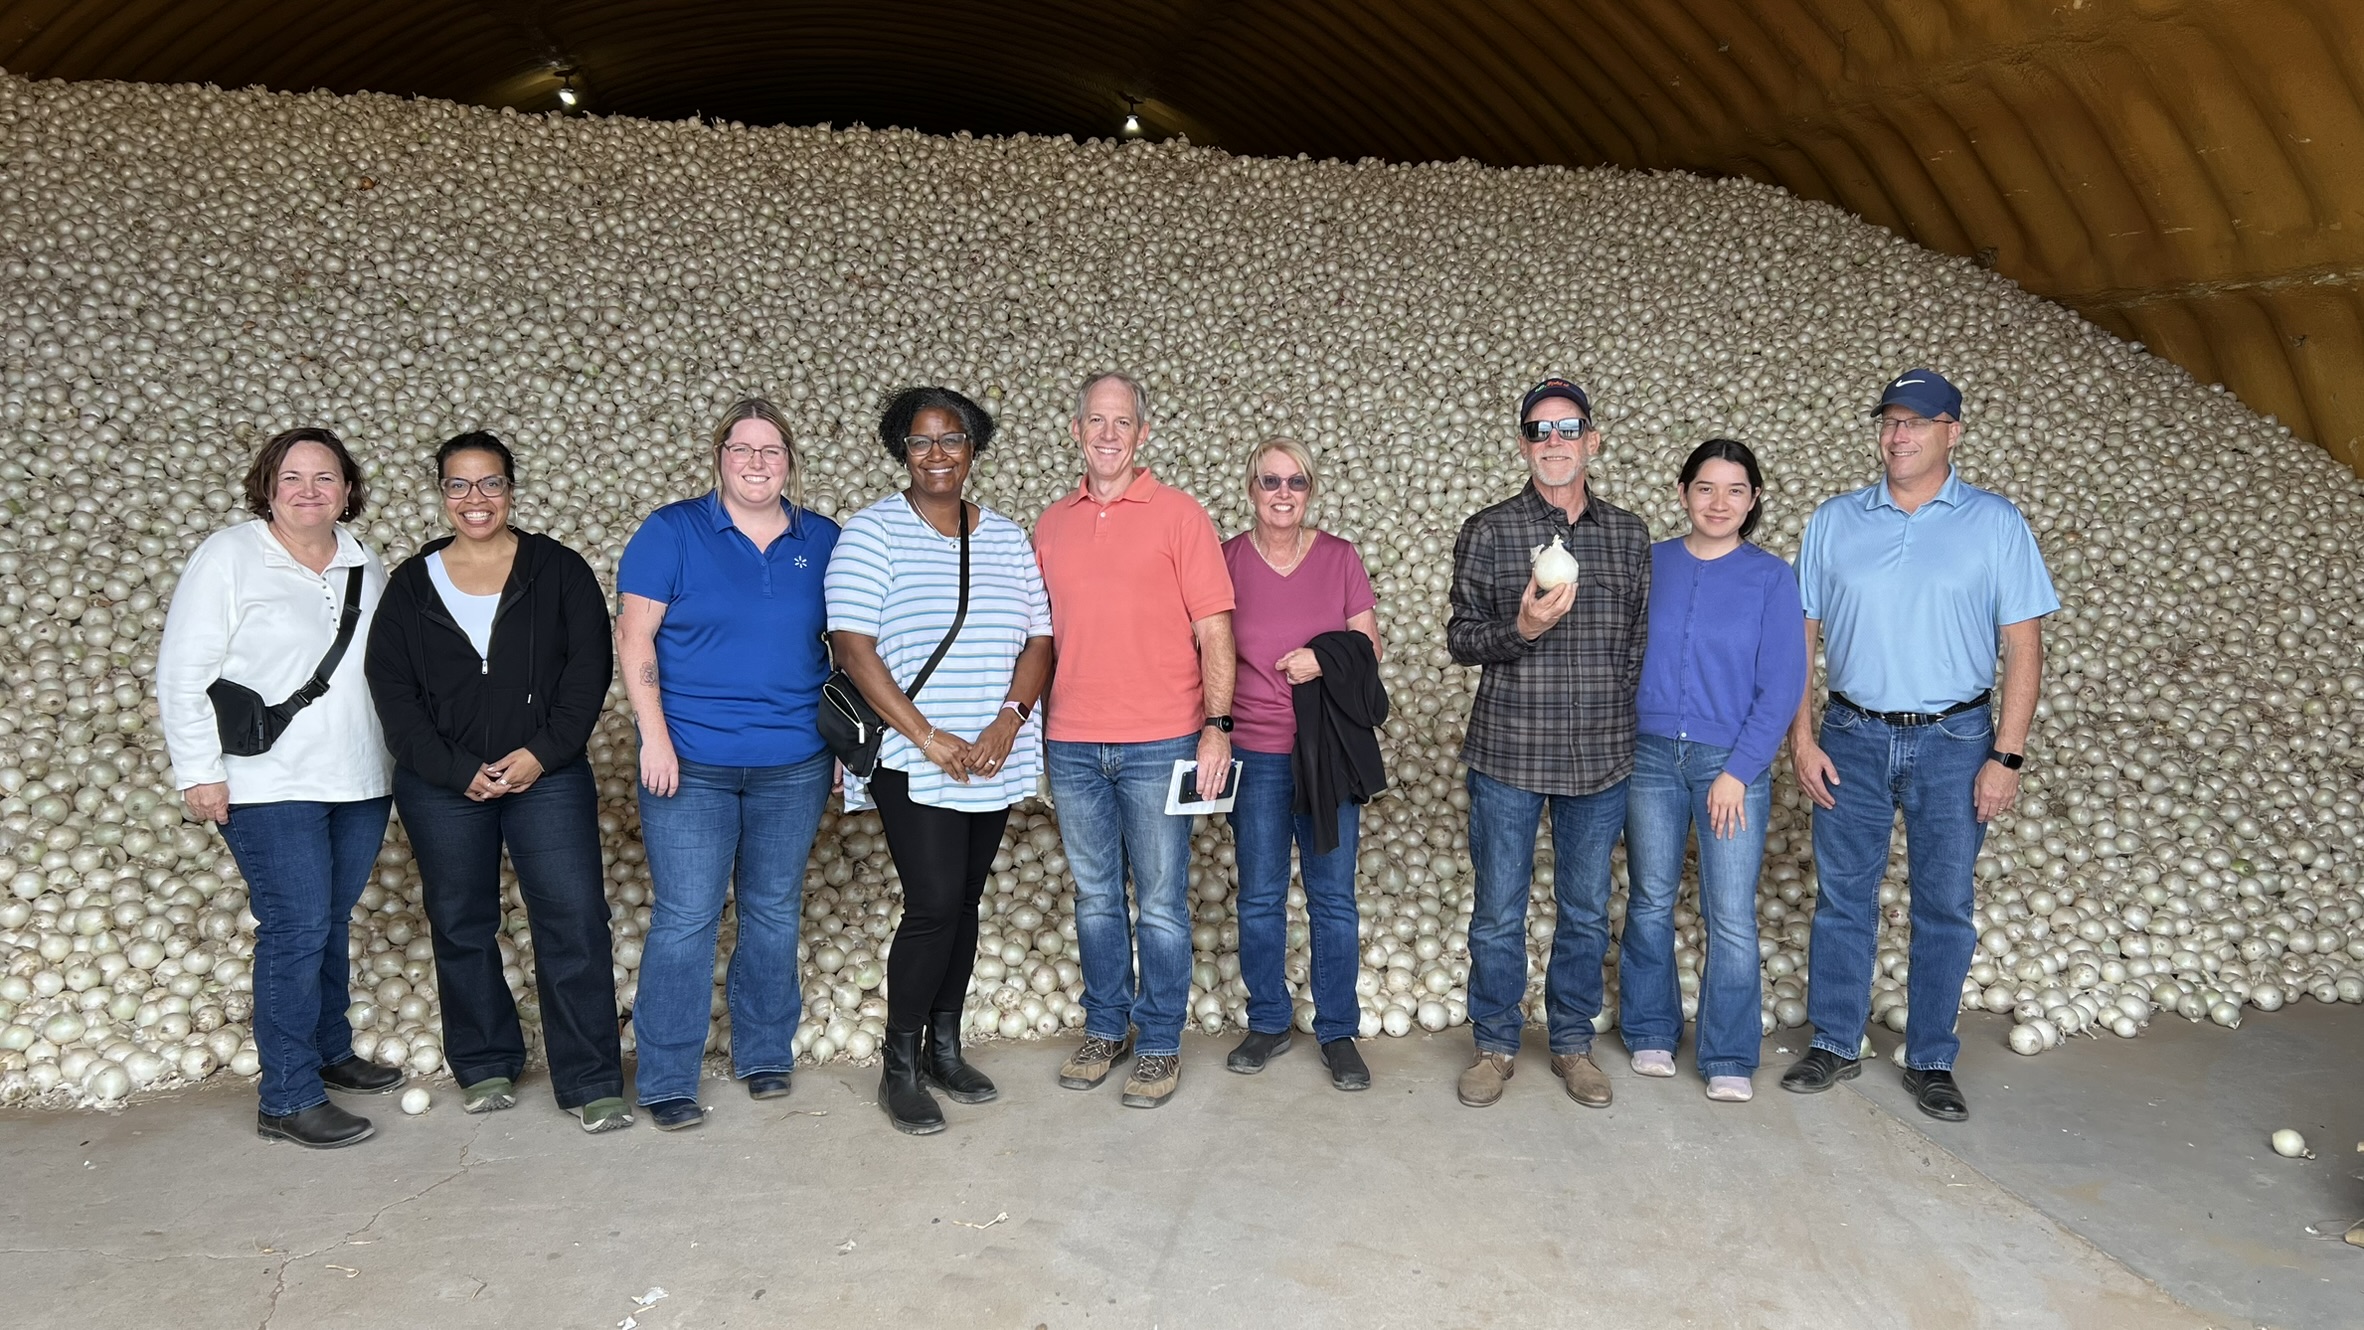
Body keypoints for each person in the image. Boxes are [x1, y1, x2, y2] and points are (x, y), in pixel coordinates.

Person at [1781, 369, 2057, 1122]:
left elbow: (2023, 644)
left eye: (1916, 422)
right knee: (1843, 899)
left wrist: (2006, 755)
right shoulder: (1835, 521)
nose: (1898, 436)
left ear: (1952, 433)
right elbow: (1798, 637)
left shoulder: (1996, 523)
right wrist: (1801, 738)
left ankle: (1932, 1056)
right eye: (1889, 422)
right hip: (1851, 734)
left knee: (1944, 904)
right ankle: (1836, 1040)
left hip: (1956, 739)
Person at [364, 432, 629, 1132]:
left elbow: (587, 672)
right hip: (443, 785)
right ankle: (483, 1064)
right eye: (459, 485)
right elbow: (392, 692)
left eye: (489, 484)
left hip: (547, 775)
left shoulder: (558, 570)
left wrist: (543, 752)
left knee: (573, 918)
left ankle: (592, 1080)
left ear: (512, 489)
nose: (475, 499)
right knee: (462, 921)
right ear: (441, 494)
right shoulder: (411, 585)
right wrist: (454, 770)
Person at [157, 427, 400, 1147]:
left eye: (324, 478)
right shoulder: (230, 556)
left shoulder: (365, 562)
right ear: (268, 486)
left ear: (347, 491)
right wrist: (199, 770)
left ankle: (329, 1050)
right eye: (291, 477)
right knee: (295, 928)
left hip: (360, 775)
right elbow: (183, 670)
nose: (308, 491)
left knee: (327, 919)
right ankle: (287, 1095)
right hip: (268, 782)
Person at [825, 387, 1053, 1135]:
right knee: (929, 906)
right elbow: (853, 652)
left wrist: (1007, 723)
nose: (936, 455)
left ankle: (944, 1048)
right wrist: (927, 736)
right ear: (902, 451)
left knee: (962, 902)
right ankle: (899, 1065)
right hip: (914, 757)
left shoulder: (1009, 539)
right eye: (920, 442)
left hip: (990, 755)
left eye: (950, 439)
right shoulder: (872, 534)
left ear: (973, 449)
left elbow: (1040, 642)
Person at [616, 397, 839, 1132]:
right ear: (719, 458)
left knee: (774, 910)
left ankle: (765, 1050)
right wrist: (654, 736)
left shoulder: (823, 539)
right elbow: (636, 638)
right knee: (687, 917)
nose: (755, 462)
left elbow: (848, 648)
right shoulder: (672, 531)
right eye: (741, 449)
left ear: (789, 461)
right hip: (692, 764)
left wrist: (843, 748)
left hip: (794, 763)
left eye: (770, 450)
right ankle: (667, 1076)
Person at [1033, 371, 1236, 1109]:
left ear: (1143, 434)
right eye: (1096, 421)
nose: (1109, 434)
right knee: (1093, 899)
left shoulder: (1181, 517)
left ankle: (1157, 1044)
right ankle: (1105, 1025)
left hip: (1161, 742)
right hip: (1073, 742)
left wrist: (1217, 728)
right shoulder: (1051, 525)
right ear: (1077, 432)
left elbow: (1216, 630)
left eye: (1122, 422)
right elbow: (1036, 640)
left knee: (1159, 902)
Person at [1446, 377, 1650, 1110]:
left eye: (1568, 429)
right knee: (1499, 908)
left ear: (1592, 440)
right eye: (1539, 430)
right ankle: (1496, 1044)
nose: (1554, 442)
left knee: (1586, 909)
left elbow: (1636, 645)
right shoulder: (1490, 530)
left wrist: (1616, 722)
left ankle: (1571, 1043)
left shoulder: (1627, 536)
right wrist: (1521, 630)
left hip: (1598, 757)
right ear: (1523, 443)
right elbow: (1461, 638)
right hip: (1509, 752)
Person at [1618, 439, 1806, 1104]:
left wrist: (1741, 769)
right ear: (1682, 493)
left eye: (1734, 490)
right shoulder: (1651, 563)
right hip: (1649, 756)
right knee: (1650, 899)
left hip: (1732, 765)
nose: (1718, 502)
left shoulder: (1771, 578)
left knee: (1730, 913)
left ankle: (1727, 1053)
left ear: (1753, 500)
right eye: (1705, 488)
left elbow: (1783, 682)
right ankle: (1648, 1029)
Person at [1219, 436, 1382, 1091]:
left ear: (1310, 490)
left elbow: (1369, 648)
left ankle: (1339, 1030)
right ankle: (1268, 1021)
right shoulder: (1225, 559)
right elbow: (1203, 648)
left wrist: (1325, 657)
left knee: (1333, 899)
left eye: (1295, 483)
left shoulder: (1340, 558)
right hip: (1253, 753)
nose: (1282, 494)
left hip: (1328, 755)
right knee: (1259, 898)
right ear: (1250, 488)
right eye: (1269, 482)